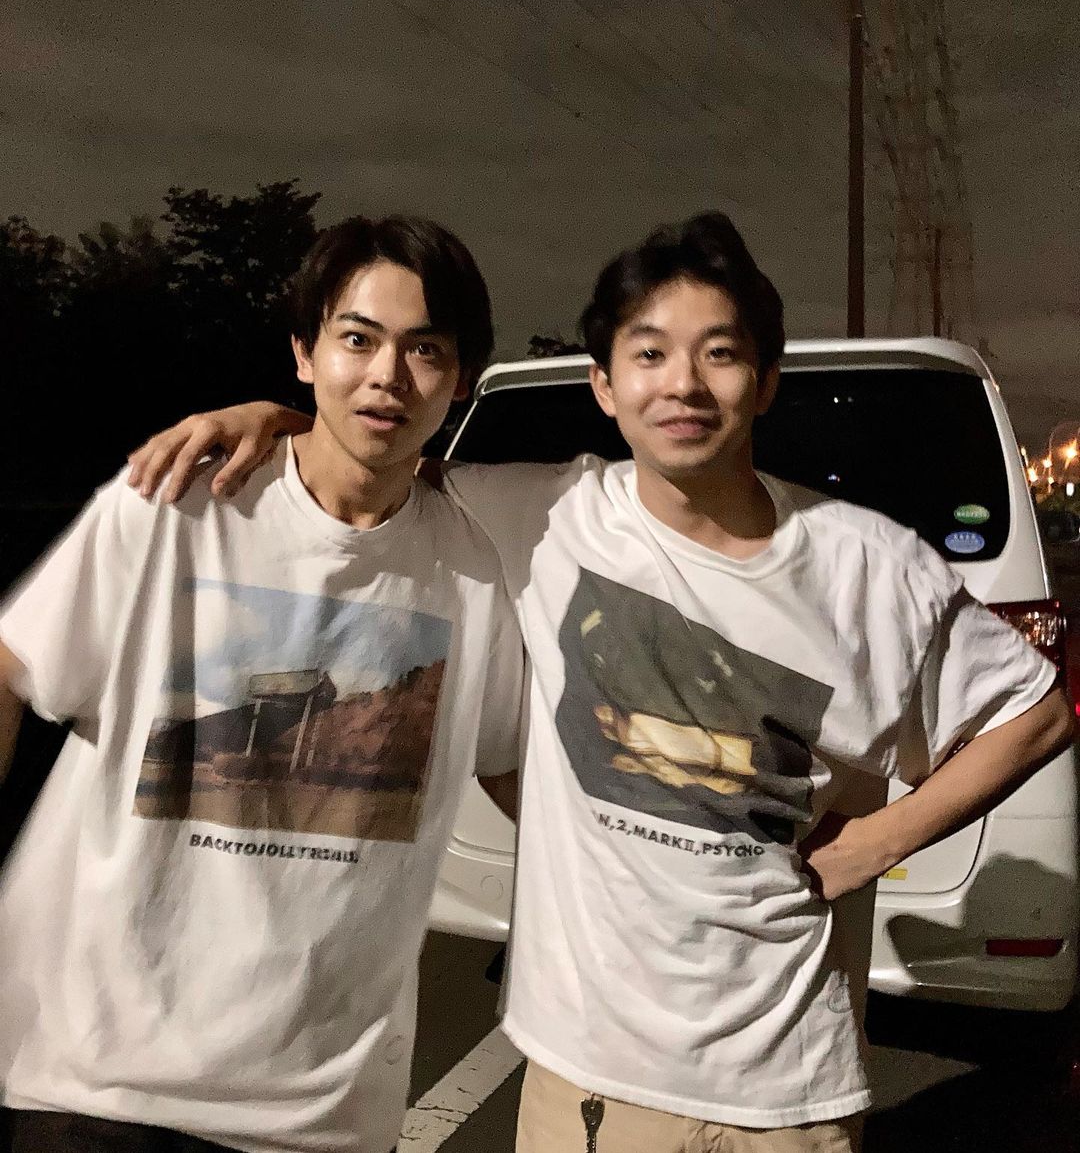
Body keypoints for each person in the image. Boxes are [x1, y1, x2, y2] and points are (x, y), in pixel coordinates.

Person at [127, 211, 1075, 1153]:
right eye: (650, 354)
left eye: (720, 353)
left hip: (786, 1088)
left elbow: (1035, 715)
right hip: (586, 1080)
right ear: (605, 387)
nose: (684, 384)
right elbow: (367, 449)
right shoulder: (544, 514)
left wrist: (874, 843)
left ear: (766, 381)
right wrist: (274, 417)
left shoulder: (868, 566)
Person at [0, 215, 524, 1153]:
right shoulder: (175, 506)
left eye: (424, 349)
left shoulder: (473, 573)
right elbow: (11, 666)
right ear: (303, 353)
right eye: (357, 339)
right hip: (100, 1089)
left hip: (320, 1113)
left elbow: (517, 769)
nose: (387, 375)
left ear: (461, 377)